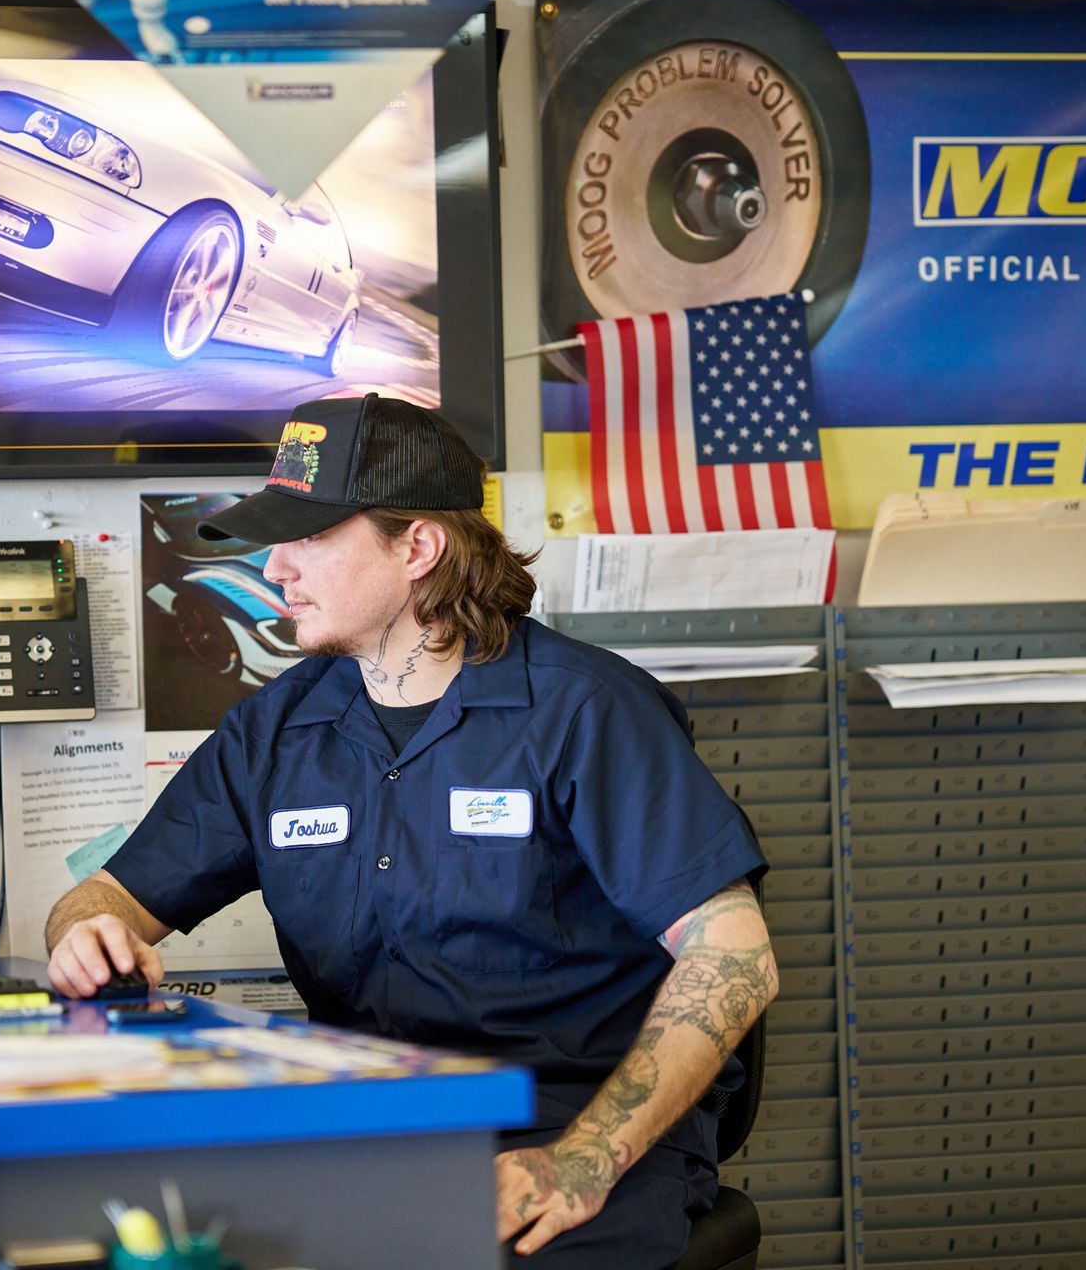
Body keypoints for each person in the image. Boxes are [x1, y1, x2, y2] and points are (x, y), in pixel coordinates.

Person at [45, 393, 777, 1268]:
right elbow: (109, 896)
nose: (276, 567)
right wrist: (86, 933)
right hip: (370, 1124)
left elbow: (735, 958)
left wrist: (581, 1161)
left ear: (418, 548)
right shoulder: (276, 730)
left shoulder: (586, 711)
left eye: (309, 537)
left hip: (563, 1127)